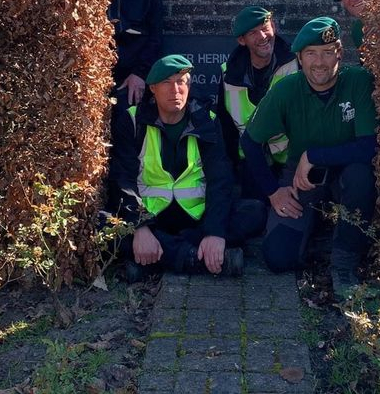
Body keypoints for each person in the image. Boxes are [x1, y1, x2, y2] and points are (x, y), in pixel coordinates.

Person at [241, 17, 379, 300]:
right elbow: (250, 142)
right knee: (277, 257)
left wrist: (315, 155)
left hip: (345, 171)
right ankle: (323, 238)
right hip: (302, 177)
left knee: (360, 176)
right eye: (311, 54)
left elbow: (369, 146)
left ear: (339, 51)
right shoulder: (285, 89)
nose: (320, 62)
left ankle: (344, 264)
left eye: (327, 52)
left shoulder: (359, 81)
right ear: (299, 59)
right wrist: (273, 192)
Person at [108, 55, 266, 281]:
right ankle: (195, 257)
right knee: (105, 227)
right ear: (152, 88)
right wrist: (140, 227)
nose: (176, 90)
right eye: (167, 83)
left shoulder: (206, 119)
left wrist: (214, 232)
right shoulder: (133, 120)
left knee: (255, 212)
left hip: (196, 217)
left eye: (182, 82)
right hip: (152, 216)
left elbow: (220, 179)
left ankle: (154, 258)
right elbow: (123, 179)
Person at [216, 6, 298, 200]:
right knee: (252, 217)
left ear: (274, 27)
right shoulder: (229, 74)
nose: (262, 36)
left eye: (265, 27)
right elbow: (226, 127)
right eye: (253, 33)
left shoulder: (296, 63)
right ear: (241, 40)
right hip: (251, 163)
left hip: (292, 161)